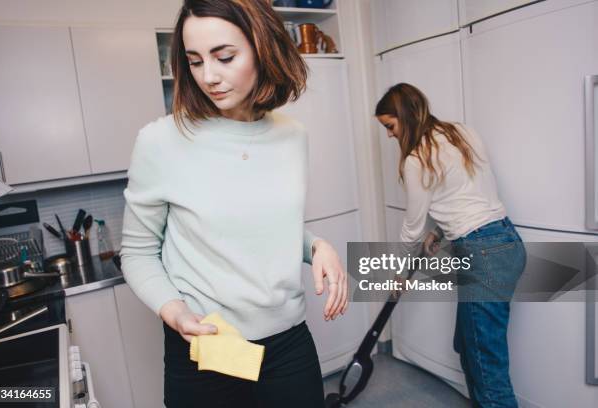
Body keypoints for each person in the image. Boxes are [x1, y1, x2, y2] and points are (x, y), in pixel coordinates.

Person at [120, 1, 348, 407]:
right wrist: (172, 310)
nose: (209, 76)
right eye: (194, 61)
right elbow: (137, 252)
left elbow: (265, 227)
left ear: (264, 48)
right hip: (208, 347)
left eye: (224, 57)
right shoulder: (160, 141)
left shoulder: (291, 136)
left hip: (288, 343)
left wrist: (315, 246)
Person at [375, 83, 526, 408]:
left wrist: (399, 274)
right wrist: (441, 233)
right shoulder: (461, 132)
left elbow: (411, 229)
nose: (389, 135)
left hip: (482, 255)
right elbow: (467, 193)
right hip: (506, 243)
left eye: (390, 126)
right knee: (468, 346)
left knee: (488, 368)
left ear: (405, 116)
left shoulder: (418, 158)